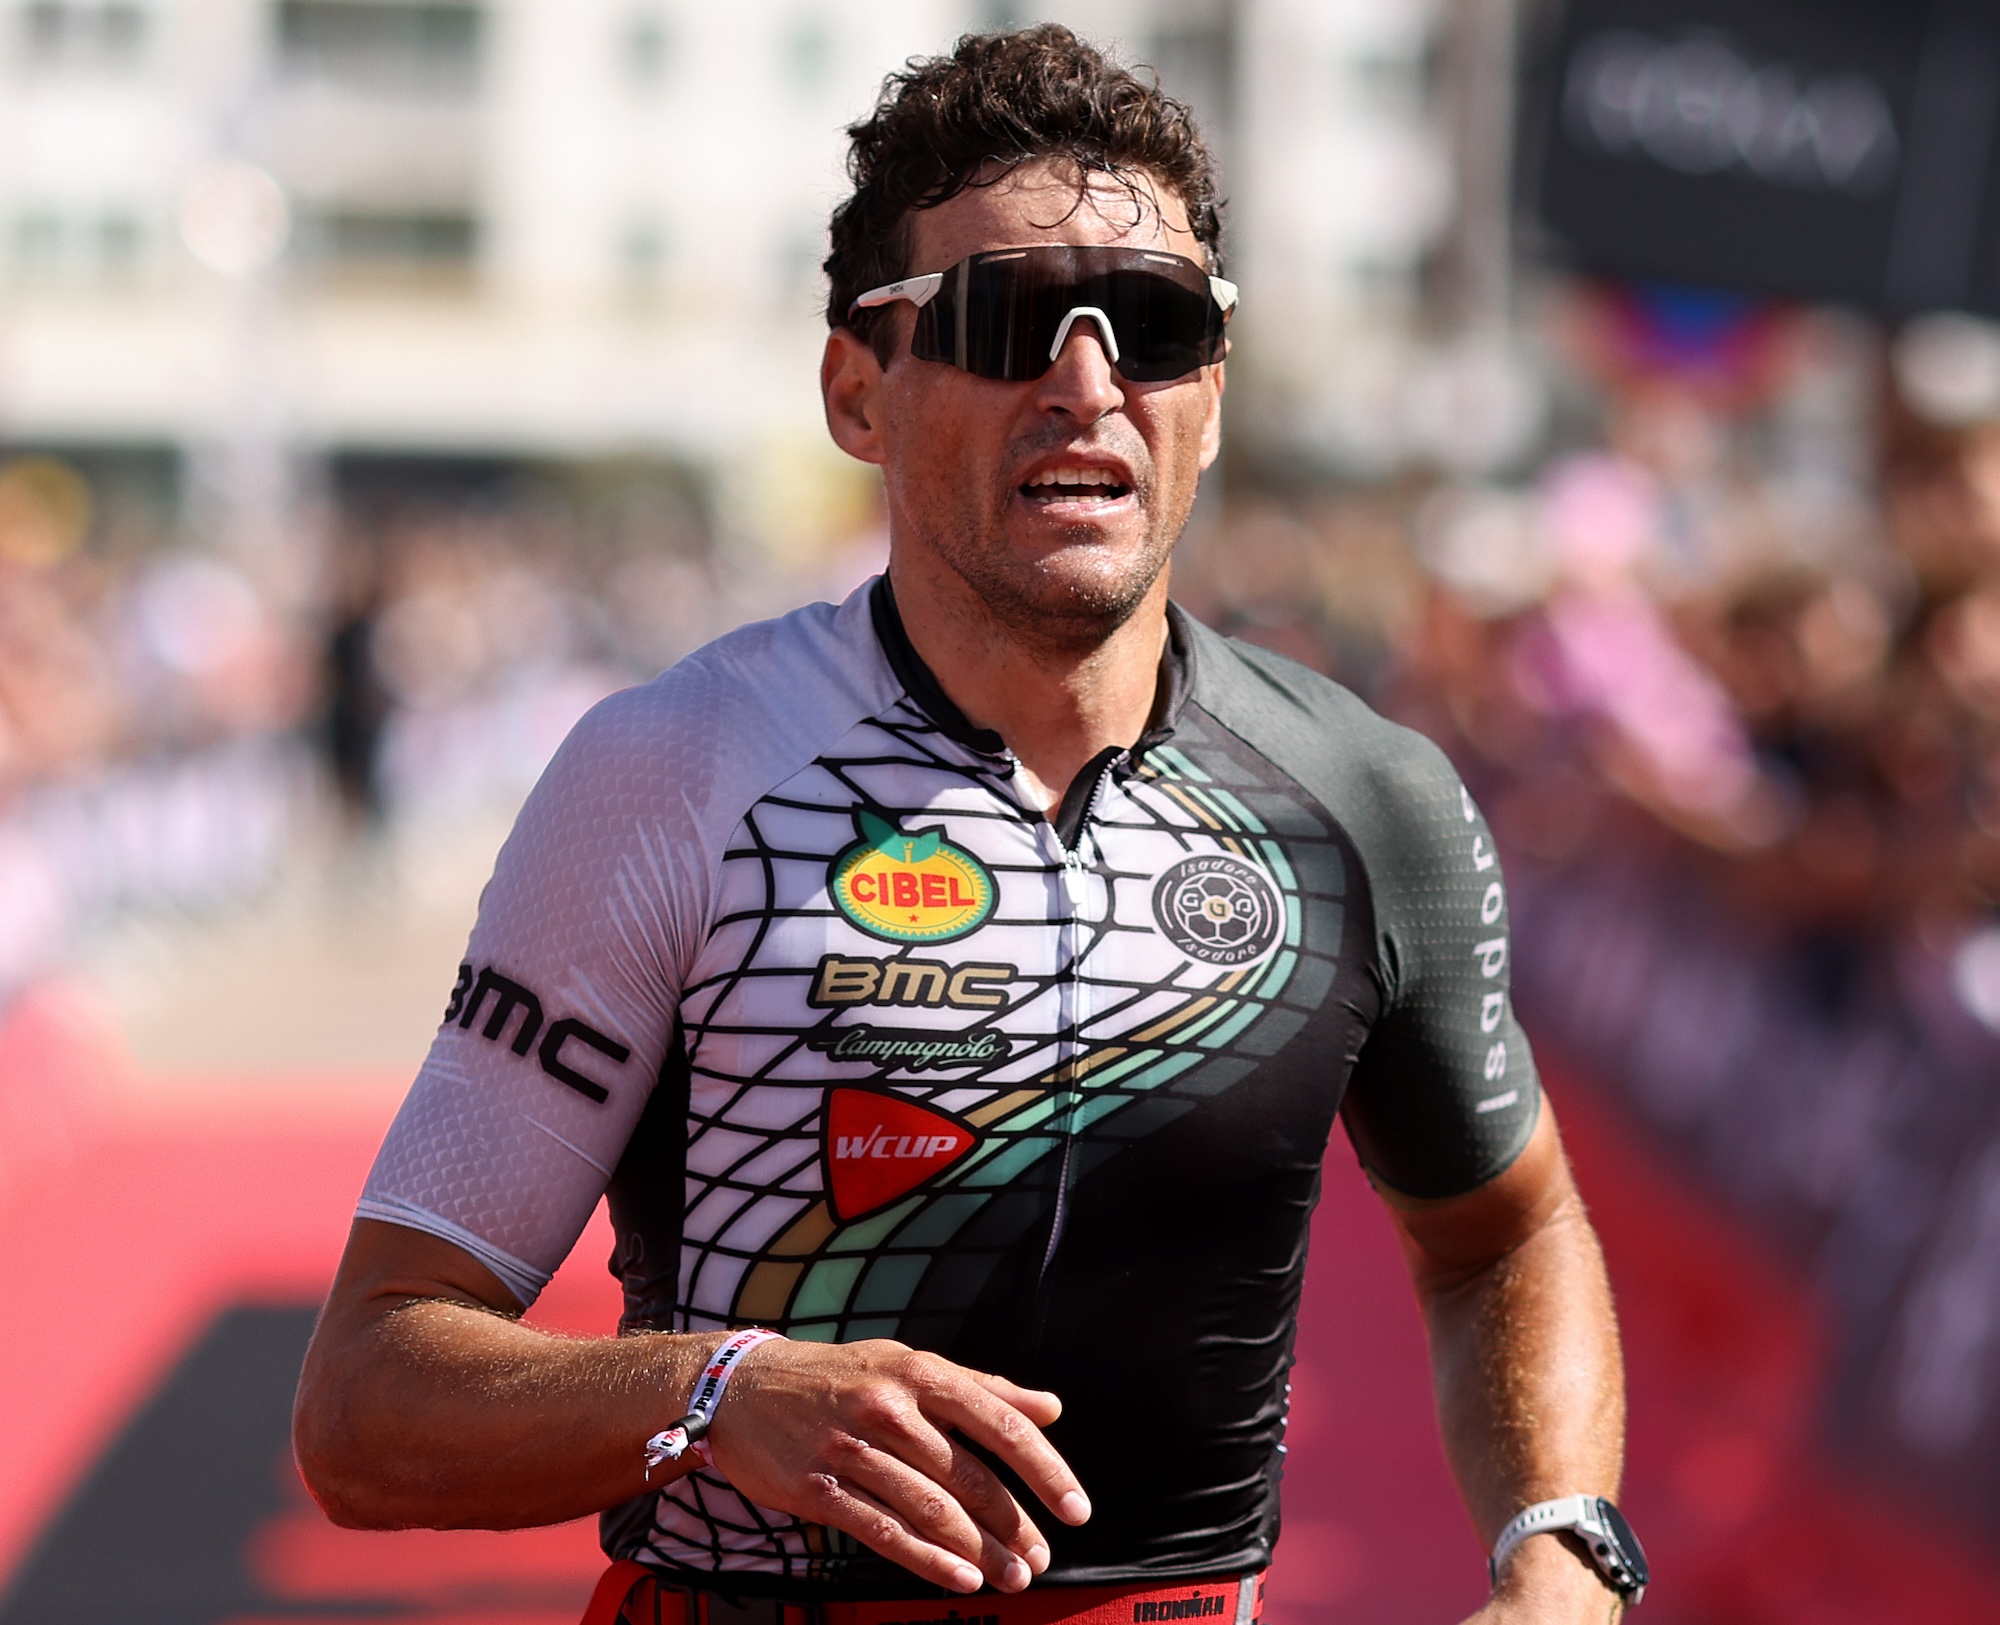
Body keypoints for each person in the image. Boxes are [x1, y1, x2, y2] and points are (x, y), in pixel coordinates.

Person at [294, 26, 1639, 1625]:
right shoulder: (671, 773)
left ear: (1210, 392)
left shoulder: (1370, 794)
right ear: (858, 391)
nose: (1088, 385)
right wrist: (722, 1394)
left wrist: (1561, 1554)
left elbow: (1507, 1227)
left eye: (1153, 324)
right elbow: (367, 1399)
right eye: (1004, 322)